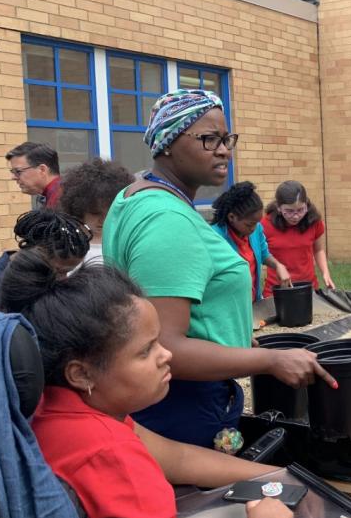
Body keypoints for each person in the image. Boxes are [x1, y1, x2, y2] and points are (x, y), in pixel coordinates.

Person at [0, 250, 293, 518]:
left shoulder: (53, 406)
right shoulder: (115, 455)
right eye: (145, 350)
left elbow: (179, 457)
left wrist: (280, 477)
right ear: (81, 373)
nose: (166, 354)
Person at [103, 89, 334, 448]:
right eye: (209, 139)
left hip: (171, 396)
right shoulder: (167, 219)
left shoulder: (136, 196)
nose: (224, 149)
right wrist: (269, 360)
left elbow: (176, 304)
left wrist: (233, 333)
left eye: (226, 139)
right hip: (181, 403)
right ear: (167, 142)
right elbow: (164, 347)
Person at [0, 209, 92, 309]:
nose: (64, 279)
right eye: (60, 271)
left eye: (68, 272)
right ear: (38, 251)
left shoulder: (46, 280)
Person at [210, 181, 291, 302]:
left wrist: (278, 265)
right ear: (232, 217)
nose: (254, 228)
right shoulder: (214, 237)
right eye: (249, 224)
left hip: (253, 303)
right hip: (228, 306)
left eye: (257, 223)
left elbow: (264, 254)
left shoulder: (256, 229)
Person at [262, 180, 334, 297]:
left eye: (301, 210)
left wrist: (325, 273)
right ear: (279, 208)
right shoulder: (265, 224)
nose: (296, 216)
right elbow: (260, 254)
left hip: (307, 288)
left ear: (306, 205)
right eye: (289, 211)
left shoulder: (314, 221)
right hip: (276, 290)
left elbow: (318, 250)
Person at [58, 157, 135, 265]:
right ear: (78, 210)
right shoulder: (69, 246)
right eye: (95, 213)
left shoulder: (126, 244)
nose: (103, 220)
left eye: (110, 213)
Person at [6, 141, 62, 208]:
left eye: (18, 171)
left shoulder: (61, 201)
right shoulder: (57, 195)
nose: (13, 177)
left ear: (42, 170)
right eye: (13, 172)